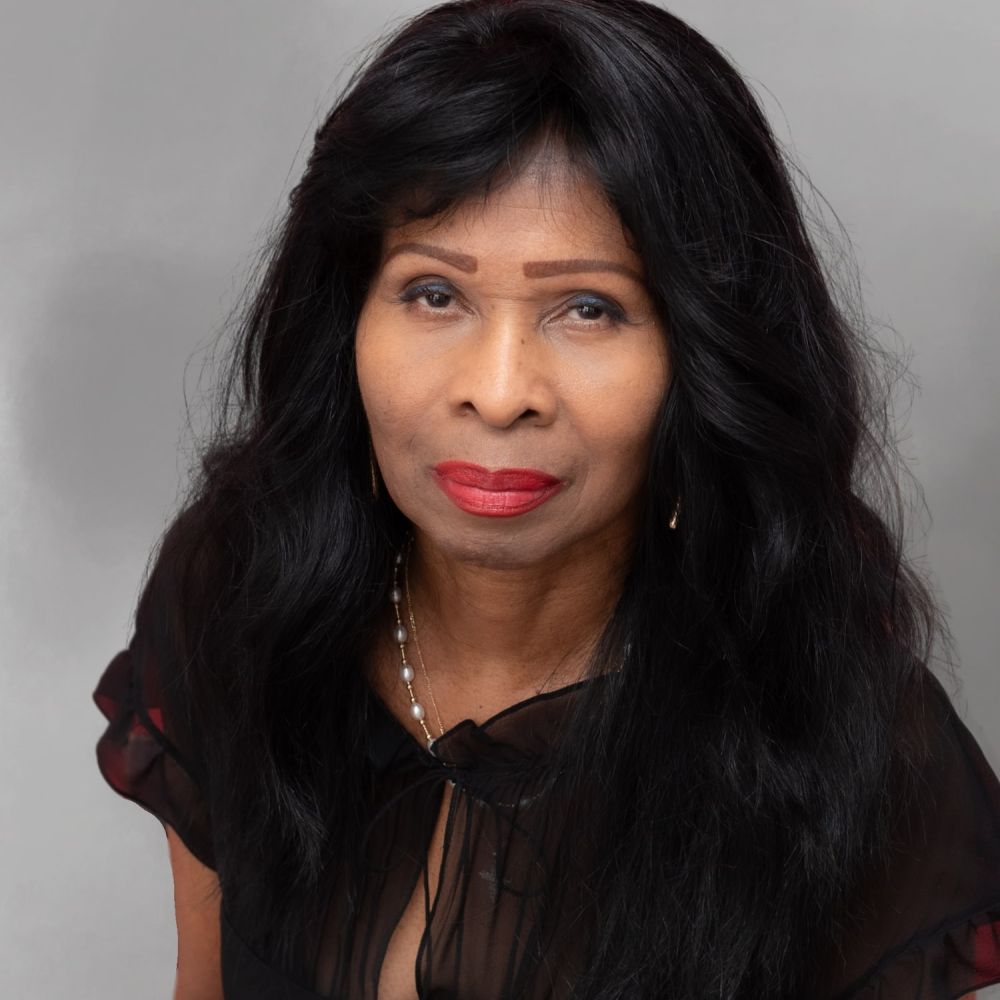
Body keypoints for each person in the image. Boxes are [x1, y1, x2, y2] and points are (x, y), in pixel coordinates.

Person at [92, 1, 1000, 997]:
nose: (498, 388)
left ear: (702, 353)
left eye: (588, 307)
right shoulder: (235, 590)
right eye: (434, 293)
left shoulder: (850, 744)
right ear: (344, 316)